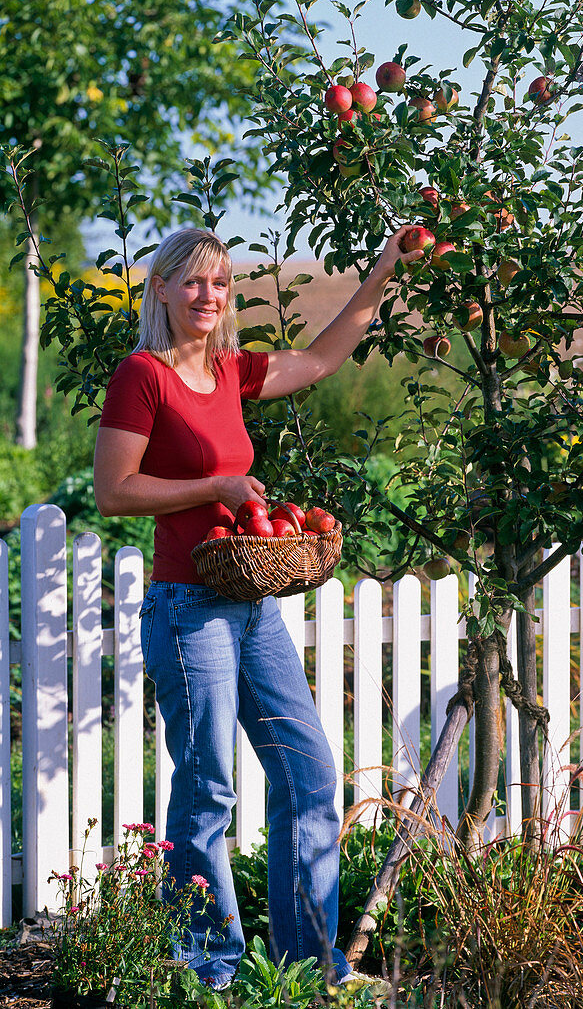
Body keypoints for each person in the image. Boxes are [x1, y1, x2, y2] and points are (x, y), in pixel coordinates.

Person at [93, 225, 421, 991]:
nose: (208, 296)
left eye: (220, 283)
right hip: (187, 607)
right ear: (163, 291)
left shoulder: (229, 369)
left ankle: (308, 968)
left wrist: (382, 271)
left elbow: (319, 358)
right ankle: (209, 968)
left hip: (251, 605)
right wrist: (216, 489)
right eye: (194, 282)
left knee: (308, 775)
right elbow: (115, 491)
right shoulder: (143, 375)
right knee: (207, 784)